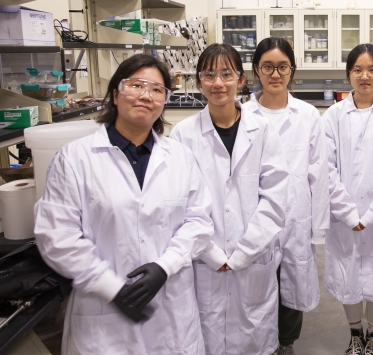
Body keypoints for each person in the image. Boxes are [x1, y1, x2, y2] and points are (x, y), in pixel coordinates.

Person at [34, 54, 214, 355]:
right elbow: (57, 236)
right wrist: (111, 288)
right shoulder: (75, 159)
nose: (146, 95)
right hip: (102, 318)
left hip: (170, 311)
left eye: (157, 90)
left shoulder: (180, 157)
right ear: (116, 94)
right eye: (136, 85)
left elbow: (199, 221)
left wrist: (163, 267)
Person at [170, 43, 288, 355]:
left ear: (240, 79)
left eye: (226, 74)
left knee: (254, 336)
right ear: (198, 81)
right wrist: (210, 253)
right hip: (203, 260)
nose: (218, 83)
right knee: (207, 336)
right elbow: (176, 203)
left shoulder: (262, 130)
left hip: (252, 258)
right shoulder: (183, 135)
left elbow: (275, 198)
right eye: (209, 75)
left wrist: (243, 252)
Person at [243, 37, 330, 355]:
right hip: (252, 214)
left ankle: (286, 344)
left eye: (282, 66)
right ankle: (258, 342)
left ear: (292, 70)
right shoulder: (243, 115)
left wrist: (318, 227)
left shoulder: (307, 115)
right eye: (268, 66)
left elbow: (319, 173)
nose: (275, 74)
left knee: (292, 282)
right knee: (255, 283)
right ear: (256, 70)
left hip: (296, 215)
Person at [323, 44, 373, 355]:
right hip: (343, 218)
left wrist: (370, 216)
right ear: (349, 75)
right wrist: (348, 213)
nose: (365, 75)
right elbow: (325, 167)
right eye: (358, 69)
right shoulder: (333, 116)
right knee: (349, 276)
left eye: (371, 69)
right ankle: (355, 334)